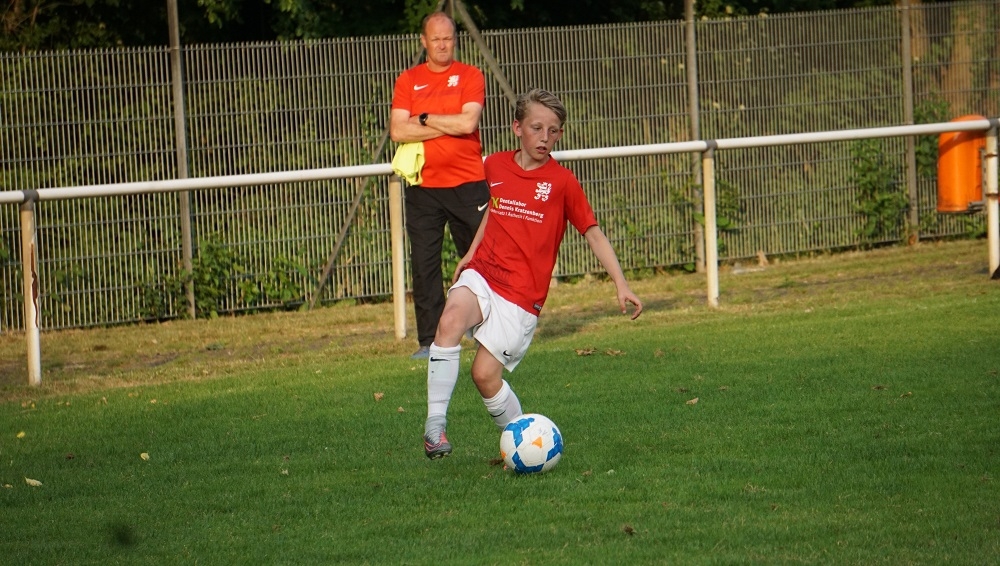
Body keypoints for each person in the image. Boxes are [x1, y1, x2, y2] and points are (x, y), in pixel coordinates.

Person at [422, 88, 644, 459]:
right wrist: (471, 255)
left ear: (559, 134)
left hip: (521, 295)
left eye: (553, 131)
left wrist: (621, 284)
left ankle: (528, 445)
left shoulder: (562, 182)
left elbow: (592, 232)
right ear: (517, 128)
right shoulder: (494, 165)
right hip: (484, 272)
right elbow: (494, 211)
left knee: (484, 375)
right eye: (536, 128)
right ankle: (435, 427)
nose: (544, 137)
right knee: (449, 320)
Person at [390, 11, 490, 360]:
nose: (443, 45)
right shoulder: (408, 80)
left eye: (448, 38)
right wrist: (448, 123)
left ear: (455, 40)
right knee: (425, 265)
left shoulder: (471, 75)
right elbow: (398, 130)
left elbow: (468, 123)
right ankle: (429, 342)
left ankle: (489, 330)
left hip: (469, 183)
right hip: (423, 187)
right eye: (436, 39)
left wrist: (424, 119)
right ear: (424, 42)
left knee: (481, 259)